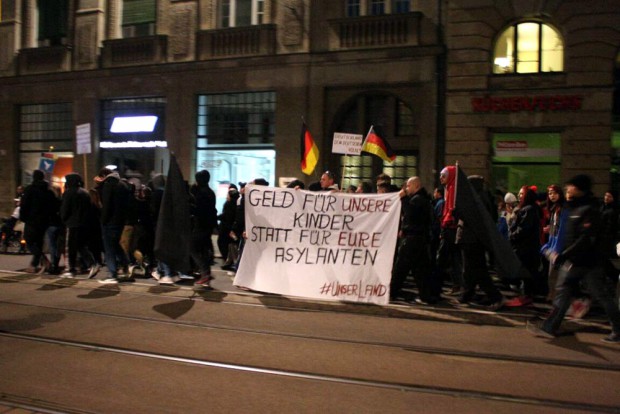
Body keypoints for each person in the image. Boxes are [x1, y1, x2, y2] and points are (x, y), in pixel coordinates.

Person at [527, 175, 620, 343]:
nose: (568, 189)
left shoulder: (589, 209)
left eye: (571, 186)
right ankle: (550, 326)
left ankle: (618, 329)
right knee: (563, 292)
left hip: (588, 262)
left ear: (579, 188)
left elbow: (585, 239)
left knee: (601, 295)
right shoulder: (573, 207)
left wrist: (564, 255)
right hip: (574, 261)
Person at [454, 176, 504, 310]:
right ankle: (466, 294)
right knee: (470, 269)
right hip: (475, 239)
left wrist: (456, 210)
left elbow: (469, 217)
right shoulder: (484, 197)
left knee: (478, 270)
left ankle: (495, 297)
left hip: (472, 239)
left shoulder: (477, 199)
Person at [390, 176, 434, 303]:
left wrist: (403, 198)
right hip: (419, 239)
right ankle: (426, 296)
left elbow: (410, 214)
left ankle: (391, 292)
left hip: (412, 240)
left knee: (401, 268)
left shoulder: (417, 199)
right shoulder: (422, 199)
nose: (407, 188)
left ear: (416, 186)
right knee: (420, 270)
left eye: (408, 186)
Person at [505, 185, 542, 307]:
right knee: (526, 271)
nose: (519, 196)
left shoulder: (528, 210)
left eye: (522, 194)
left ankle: (526, 296)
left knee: (526, 271)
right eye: (519, 193)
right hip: (526, 246)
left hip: (526, 247)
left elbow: (523, 229)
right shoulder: (528, 209)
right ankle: (525, 295)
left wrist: (512, 234)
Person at [60, 173, 99, 278]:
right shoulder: (85, 193)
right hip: (84, 224)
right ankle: (93, 263)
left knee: (70, 248)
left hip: (72, 224)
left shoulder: (68, 193)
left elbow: (64, 210)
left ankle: (70, 269)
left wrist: (64, 219)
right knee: (81, 246)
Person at [19, 169, 57, 273]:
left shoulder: (30, 190)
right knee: (38, 242)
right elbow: (53, 206)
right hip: (44, 221)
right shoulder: (48, 191)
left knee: (29, 240)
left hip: (32, 220)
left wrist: (23, 217)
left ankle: (41, 260)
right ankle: (35, 265)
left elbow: (24, 205)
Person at [99, 167, 132, 284]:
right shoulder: (122, 185)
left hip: (110, 221)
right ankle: (126, 265)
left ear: (104, 176)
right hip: (120, 221)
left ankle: (112, 274)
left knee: (109, 248)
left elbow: (106, 205)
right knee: (115, 245)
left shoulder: (108, 185)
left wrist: (103, 220)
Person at [437, 166, 463, 296]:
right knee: (453, 259)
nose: (441, 178)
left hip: (450, 229)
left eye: (443, 175)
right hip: (449, 228)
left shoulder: (453, 189)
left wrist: (446, 224)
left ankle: (436, 287)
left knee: (443, 259)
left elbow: (451, 210)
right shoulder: (449, 188)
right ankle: (457, 285)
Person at [191, 170, 218, 287]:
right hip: (207, 226)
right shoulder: (210, 192)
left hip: (200, 225)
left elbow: (198, 209)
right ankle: (205, 275)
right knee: (202, 250)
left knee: (192, 248)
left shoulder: (201, 193)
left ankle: (205, 273)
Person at [540, 185, 566, 301]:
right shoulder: (555, 208)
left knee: (555, 274)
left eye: (554, 193)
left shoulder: (562, 209)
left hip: (558, 247)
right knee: (553, 275)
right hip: (553, 245)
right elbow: (556, 227)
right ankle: (553, 296)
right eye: (550, 193)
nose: (552, 195)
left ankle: (555, 297)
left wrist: (556, 248)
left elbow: (561, 230)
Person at [218, 186, 240, 271]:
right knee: (231, 245)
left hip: (227, 229)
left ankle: (231, 262)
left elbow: (226, 216)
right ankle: (229, 262)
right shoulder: (235, 204)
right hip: (230, 228)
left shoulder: (230, 204)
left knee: (225, 244)